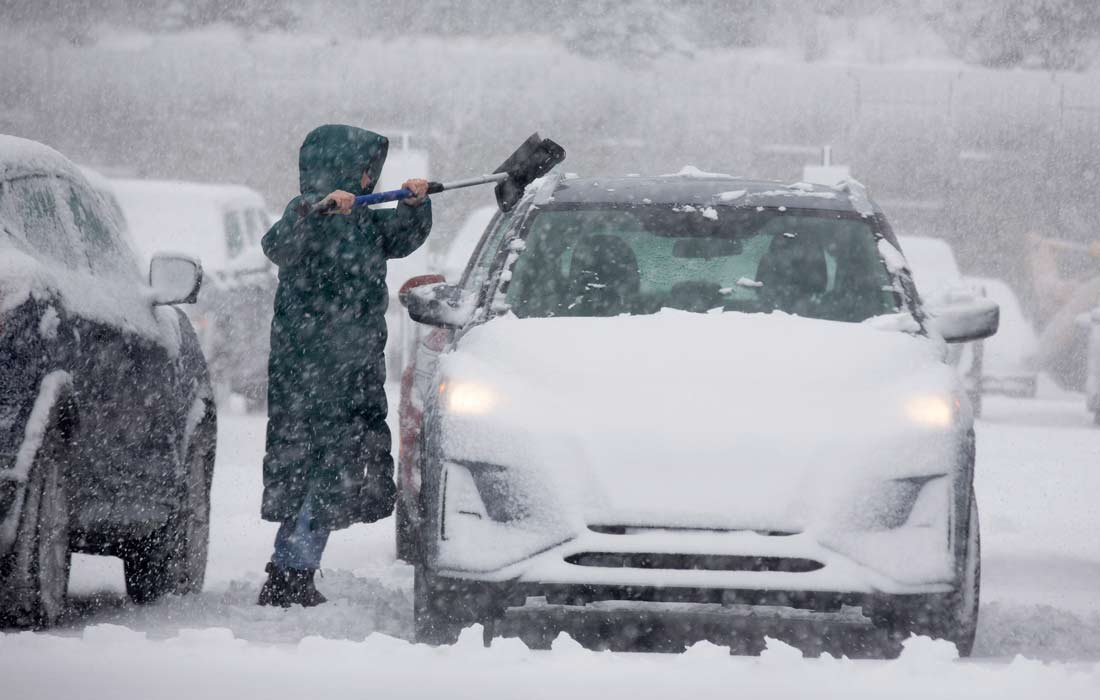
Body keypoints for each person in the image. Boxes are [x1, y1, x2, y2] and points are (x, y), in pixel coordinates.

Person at [257, 124, 432, 607]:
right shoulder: (304, 213)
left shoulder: (364, 220)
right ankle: (289, 571)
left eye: (371, 172)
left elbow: (402, 237)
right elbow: (277, 245)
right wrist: (317, 211)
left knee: (336, 470)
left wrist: (415, 204)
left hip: (354, 370)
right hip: (308, 374)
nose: (369, 179)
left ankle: (292, 569)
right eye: (365, 170)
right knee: (311, 468)